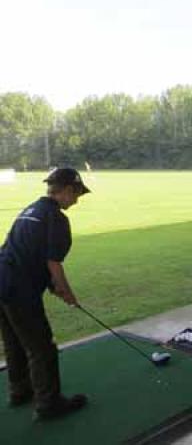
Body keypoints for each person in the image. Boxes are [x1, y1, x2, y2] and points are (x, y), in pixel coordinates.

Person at [0, 168, 90, 420]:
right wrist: (67, 293)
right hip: (19, 288)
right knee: (42, 348)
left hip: (2, 280)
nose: (77, 200)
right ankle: (49, 404)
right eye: (77, 194)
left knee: (15, 342)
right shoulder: (56, 218)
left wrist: (54, 287)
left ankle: (20, 391)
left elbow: (28, 252)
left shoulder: (31, 210)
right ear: (67, 190)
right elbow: (53, 263)